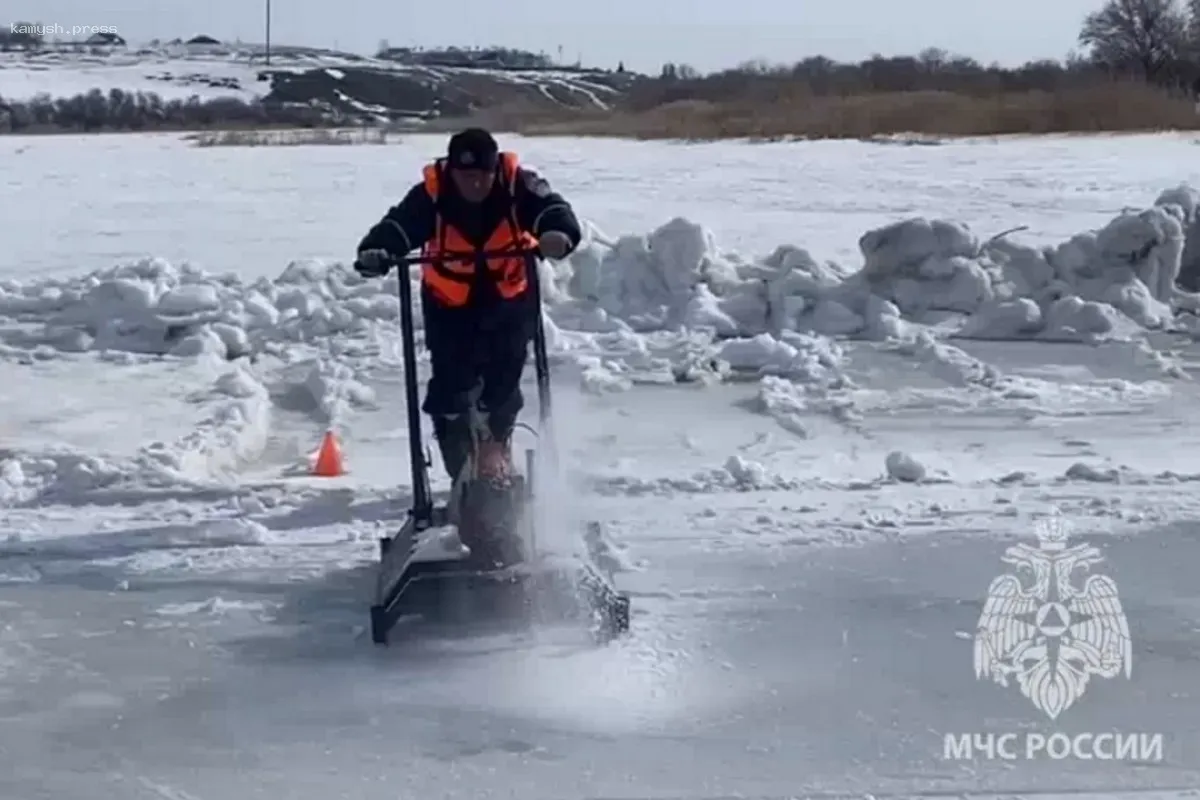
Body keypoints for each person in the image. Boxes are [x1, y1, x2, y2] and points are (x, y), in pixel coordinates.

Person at [354, 128, 582, 484]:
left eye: (483, 176)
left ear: (495, 171)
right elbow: (399, 226)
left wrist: (558, 234)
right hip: (449, 309)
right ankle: (463, 473)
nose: (475, 184)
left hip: (509, 304)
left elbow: (553, 210)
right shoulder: (432, 193)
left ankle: (497, 454)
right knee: (450, 393)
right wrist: (378, 251)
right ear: (453, 172)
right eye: (466, 176)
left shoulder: (518, 185)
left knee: (502, 388)